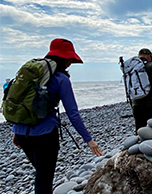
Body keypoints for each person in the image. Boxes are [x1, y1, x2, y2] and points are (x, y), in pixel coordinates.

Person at [11, 38, 104, 194]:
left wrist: (16, 131)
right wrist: (89, 140)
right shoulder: (61, 79)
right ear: (65, 58)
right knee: (44, 179)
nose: (70, 63)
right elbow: (72, 113)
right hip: (44, 134)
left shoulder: (33, 76)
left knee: (41, 175)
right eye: (70, 59)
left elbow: (21, 101)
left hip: (21, 132)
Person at [131, 48, 152, 133]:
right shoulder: (151, 66)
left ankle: (138, 144)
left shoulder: (132, 67)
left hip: (136, 104)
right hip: (151, 104)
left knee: (139, 129)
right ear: (149, 56)